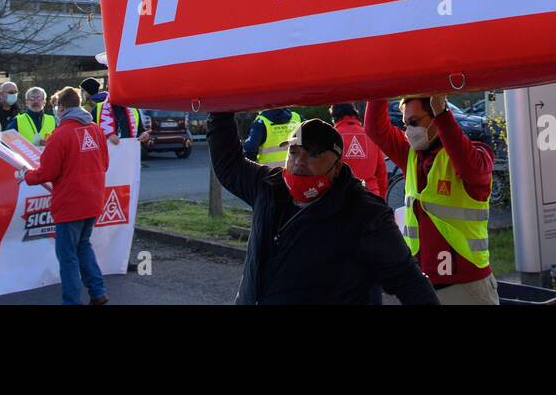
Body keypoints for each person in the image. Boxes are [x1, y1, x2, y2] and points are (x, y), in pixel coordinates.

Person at [208, 112, 437, 305]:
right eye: (294, 152)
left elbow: (410, 282)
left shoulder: (365, 214)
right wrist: (219, 111)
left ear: (337, 166)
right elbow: (229, 164)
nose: (299, 161)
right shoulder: (268, 187)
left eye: (313, 153)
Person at [366, 94, 496, 303]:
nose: (409, 131)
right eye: (406, 124)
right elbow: (374, 128)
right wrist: (383, 84)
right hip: (423, 286)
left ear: (436, 116)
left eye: (414, 122)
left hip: (466, 287)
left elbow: (473, 169)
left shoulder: (476, 154)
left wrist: (442, 114)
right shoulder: (412, 155)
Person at [23, 86, 110, 305]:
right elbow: (105, 163)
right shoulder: (96, 130)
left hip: (70, 203)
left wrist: (27, 176)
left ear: (61, 107)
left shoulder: (60, 134)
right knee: (83, 245)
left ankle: (72, 301)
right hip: (93, 199)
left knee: (68, 256)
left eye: (56, 107)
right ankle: (98, 292)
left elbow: (47, 172)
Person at [332, 103, 388, 198]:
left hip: (342, 197)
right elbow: (381, 171)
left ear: (334, 116)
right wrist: (381, 198)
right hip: (371, 195)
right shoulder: (370, 135)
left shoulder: (332, 136)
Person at [81, 77, 149, 146]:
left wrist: (144, 135)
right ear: (109, 90)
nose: (119, 93)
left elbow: (140, 131)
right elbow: (88, 134)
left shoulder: (133, 109)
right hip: (106, 154)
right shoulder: (98, 109)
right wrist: (107, 136)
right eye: (115, 89)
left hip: (129, 153)